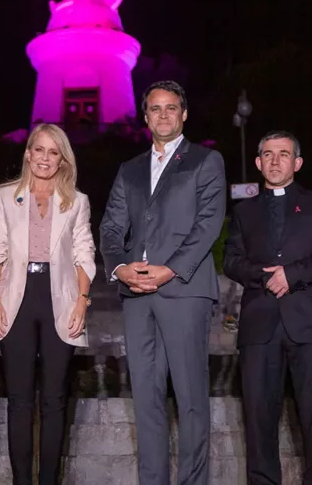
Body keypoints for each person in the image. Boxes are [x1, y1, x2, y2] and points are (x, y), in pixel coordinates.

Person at [100, 81, 227, 485]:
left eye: (171, 108)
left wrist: (169, 268)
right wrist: (120, 268)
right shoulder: (130, 169)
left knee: (190, 399)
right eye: (155, 109)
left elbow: (208, 224)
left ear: (184, 113)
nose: (164, 115)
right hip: (137, 296)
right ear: (145, 116)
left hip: (184, 292)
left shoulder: (206, 161)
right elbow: (111, 228)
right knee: (146, 400)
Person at [223, 131, 312, 485]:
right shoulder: (244, 212)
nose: (275, 161)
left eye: (284, 154)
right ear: (258, 163)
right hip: (260, 327)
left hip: (311, 325)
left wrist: (292, 275)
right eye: (268, 155)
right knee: (258, 422)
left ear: (297, 163)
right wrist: (263, 276)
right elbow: (231, 260)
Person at [0, 123, 97, 485]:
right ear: (27, 153)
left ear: (62, 159)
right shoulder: (4, 196)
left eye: (53, 152)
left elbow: (84, 253)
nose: (45, 158)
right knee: (19, 401)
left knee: (54, 399)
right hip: (16, 298)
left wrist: (82, 302)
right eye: (39, 150)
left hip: (60, 300)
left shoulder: (77, 201)